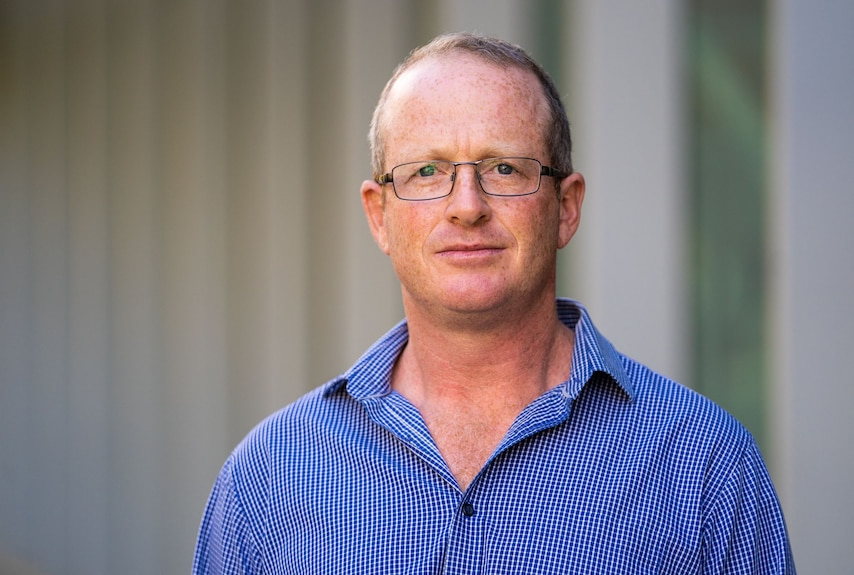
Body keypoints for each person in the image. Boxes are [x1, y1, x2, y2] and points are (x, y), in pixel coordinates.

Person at [193, 32, 795, 574]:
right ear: (379, 215)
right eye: (427, 171)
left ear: (567, 206)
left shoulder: (706, 464)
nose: (466, 205)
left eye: (504, 168)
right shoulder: (269, 478)